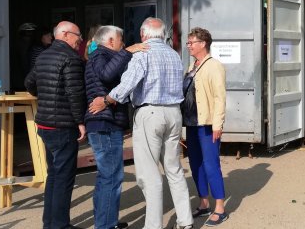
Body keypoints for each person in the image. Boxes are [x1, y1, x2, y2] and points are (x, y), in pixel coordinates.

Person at [89, 18, 193, 229]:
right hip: (173, 113)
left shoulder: (142, 53)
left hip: (150, 113)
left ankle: (153, 225)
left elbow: (128, 83)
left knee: (149, 173)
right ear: (162, 34)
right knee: (174, 169)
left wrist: (107, 100)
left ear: (144, 35)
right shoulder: (174, 55)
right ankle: (185, 220)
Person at [84, 25, 148, 229]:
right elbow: (106, 75)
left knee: (107, 176)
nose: (124, 44)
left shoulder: (100, 55)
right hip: (104, 123)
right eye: (121, 41)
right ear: (110, 41)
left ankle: (105, 222)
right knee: (111, 176)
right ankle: (105, 225)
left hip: (106, 121)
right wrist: (127, 52)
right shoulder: (100, 56)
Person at [24, 21, 87, 229]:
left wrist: (42, 94)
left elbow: (29, 83)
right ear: (66, 35)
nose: (80, 39)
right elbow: (74, 93)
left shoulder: (43, 56)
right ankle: (59, 225)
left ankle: (49, 223)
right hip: (63, 126)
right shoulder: (71, 58)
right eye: (78, 35)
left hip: (45, 125)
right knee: (64, 178)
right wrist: (80, 121)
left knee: (53, 176)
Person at [183, 27, 229, 226]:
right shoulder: (192, 66)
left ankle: (220, 207)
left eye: (191, 42)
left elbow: (220, 98)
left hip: (208, 124)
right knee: (195, 164)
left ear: (203, 44)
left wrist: (218, 124)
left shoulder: (214, 66)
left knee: (211, 165)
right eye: (188, 42)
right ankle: (204, 203)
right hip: (192, 124)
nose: (188, 46)